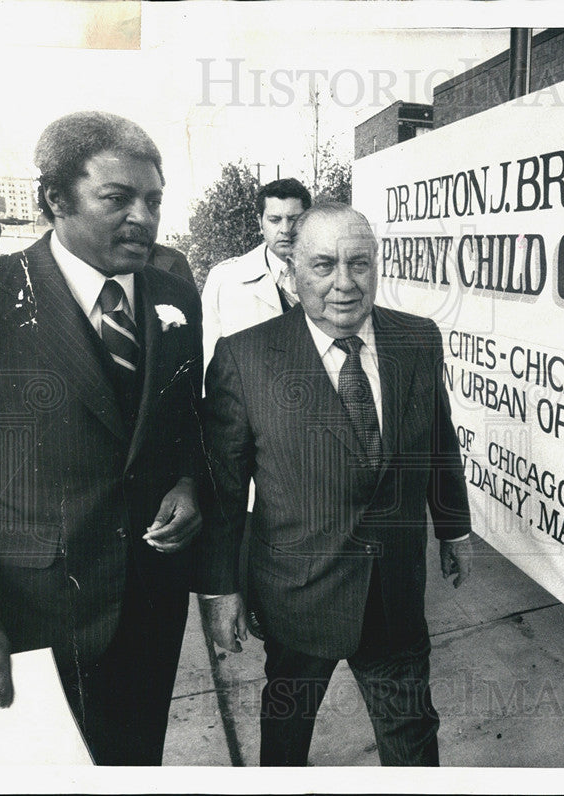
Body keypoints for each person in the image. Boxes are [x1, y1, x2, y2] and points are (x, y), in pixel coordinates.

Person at [0, 111, 205, 766]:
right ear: (56, 199)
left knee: (134, 763)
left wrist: (190, 482)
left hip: (149, 606)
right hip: (30, 618)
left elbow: (187, 419)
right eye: (118, 198)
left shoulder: (176, 295)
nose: (143, 217)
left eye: (153, 200)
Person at [195, 202, 474, 766]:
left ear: (377, 266)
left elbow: (438, 439)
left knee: (414, 740)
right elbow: (224, 490)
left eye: (360, 264)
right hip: (298, 596)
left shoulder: (417, 339)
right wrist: (219, 588)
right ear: (292, 269)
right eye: (323, 265)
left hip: (394, 595)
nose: (344, 284)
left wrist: (454, 529)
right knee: (286, 736)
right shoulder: (245, 358)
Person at [200, 177, 311, 369]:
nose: (285, 229)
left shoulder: (332, 276)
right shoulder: (225, 280)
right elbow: (208, 360)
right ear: (260, 224)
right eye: (275, 220)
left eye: (294, 219)